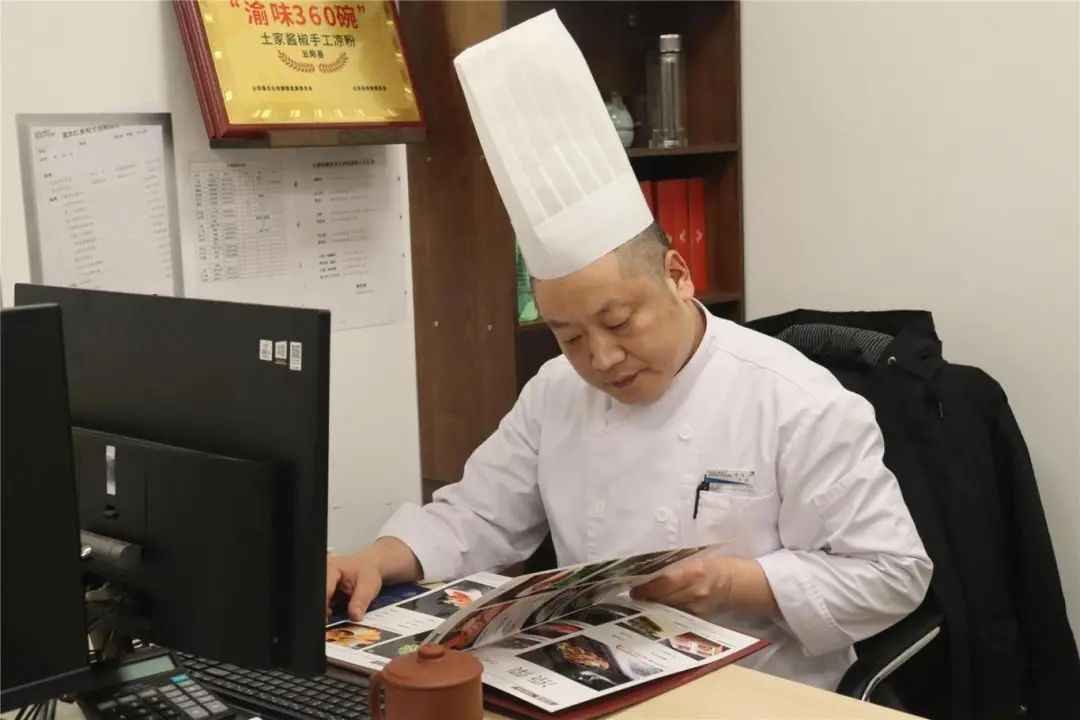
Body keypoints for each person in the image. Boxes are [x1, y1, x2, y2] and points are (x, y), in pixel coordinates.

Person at [326, 10, 932, 691]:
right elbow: (477, 515)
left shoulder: (797, 401)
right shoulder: (555, 392)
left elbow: (894, 573)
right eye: (570, 336)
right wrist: (375, 558)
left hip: (758, 686)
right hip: (589, 677)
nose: (603, 359)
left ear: (678, 275)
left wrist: (736, 581)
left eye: (619, 321)